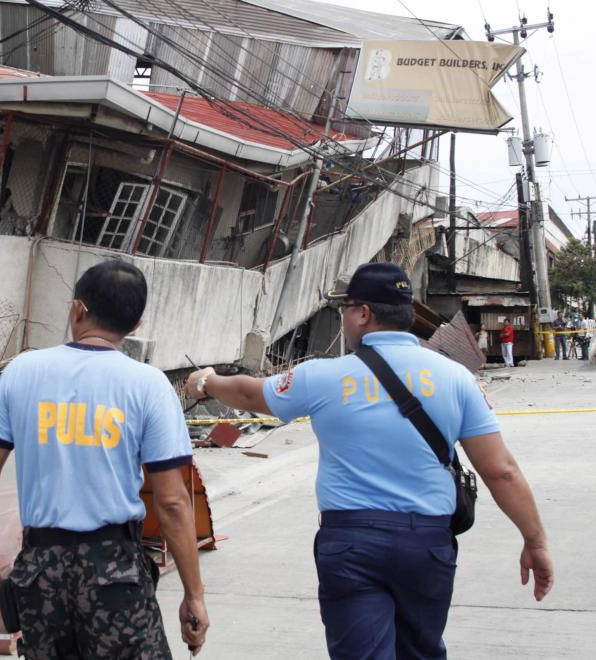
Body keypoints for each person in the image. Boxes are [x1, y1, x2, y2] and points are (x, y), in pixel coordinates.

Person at [185, 262, 554, 660]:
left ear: (363, 313)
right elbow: (501, 470)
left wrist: (206, 383)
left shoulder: (321, 377)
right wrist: (535, 540)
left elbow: (250, 394)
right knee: (421, 651)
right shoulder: (456, 378)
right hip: (426, 544)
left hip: (350, 544)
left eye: (345, 309)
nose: (343, 319)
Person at [0, 260, 209, 659]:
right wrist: (193, 595)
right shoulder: (149, 386)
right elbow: (172, 501)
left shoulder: (22, 372)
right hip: (115, 572)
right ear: (137, 323)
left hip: (40, 572)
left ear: (77, 309)